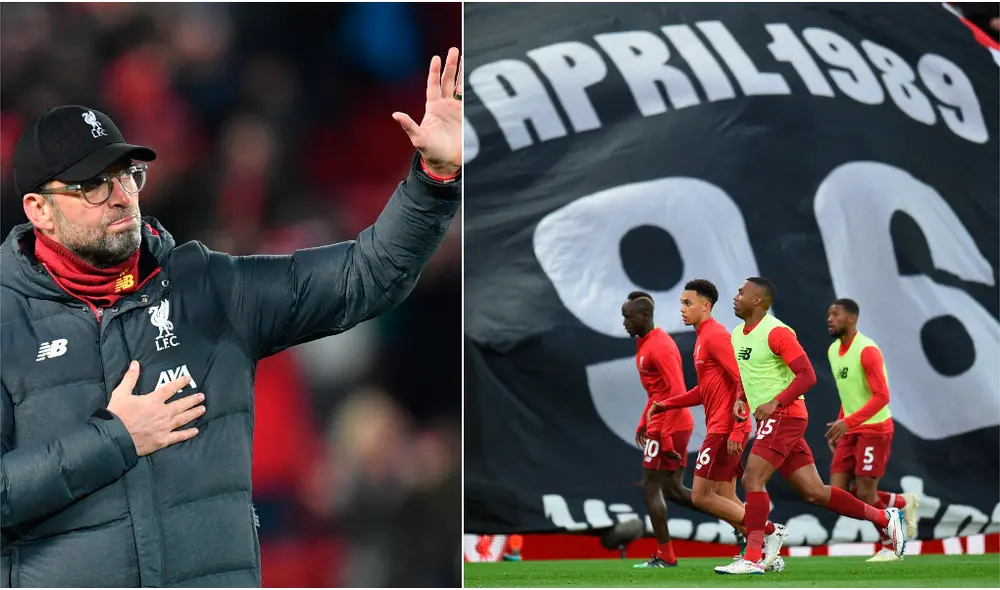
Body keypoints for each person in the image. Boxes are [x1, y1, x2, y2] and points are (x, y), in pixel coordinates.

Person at [0, 48, 463, 588]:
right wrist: (115, 438)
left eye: (127, 175)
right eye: (93, 185)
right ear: (38, 209)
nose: (121, 197)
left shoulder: (210, 288)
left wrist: (435, 178)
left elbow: (367, 273)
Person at [714, 278, 905, 575]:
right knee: (815, 492)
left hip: (785, 415)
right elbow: (747, 375)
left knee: (752, 479)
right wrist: (741, 398)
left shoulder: (776, 331)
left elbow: (807, 375)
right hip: (774, 418)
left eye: (742, 292)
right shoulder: (738, 334)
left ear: (757, 301)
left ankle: (753, 557)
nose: (735, 296)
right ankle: (885, 518)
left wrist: (775, 403)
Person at [646, 279, 785, 568]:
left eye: (688, 303)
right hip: (724, 426)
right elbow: (704, 390)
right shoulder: (703, 338)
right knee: (724, 496)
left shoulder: (715, 336)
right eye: (681, 303)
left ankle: (769, 532)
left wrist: (737, 427)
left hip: (726, 427)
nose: (682, 309)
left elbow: (742, 378)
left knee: (701, 496)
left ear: (706, 306)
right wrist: (666, 403)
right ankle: (762, 554)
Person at [824, 298, 919, 561]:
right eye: (829, 314)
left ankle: (891, 546)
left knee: (866, 493)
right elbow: (849, 394)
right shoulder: (833, 350)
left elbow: (882, 396)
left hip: (875, 429)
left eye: (836, 314)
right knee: (839, 496)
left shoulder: (867, 350)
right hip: (852, 429)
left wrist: (848, 423)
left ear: (851, 319)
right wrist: (841, 425)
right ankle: (901, 503)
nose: (829, 319)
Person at [622, 291, 695, 567]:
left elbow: (677, 390)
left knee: (650, 489)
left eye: (628, 318)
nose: (625, 323)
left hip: (670, 424)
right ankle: (739, 518)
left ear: (645, 316)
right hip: (669, 422)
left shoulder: (659, 346)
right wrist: (644, 419)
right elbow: (658, 391)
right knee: (674, 490)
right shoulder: (645, 341)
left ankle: (665, 555)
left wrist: (663, 433)